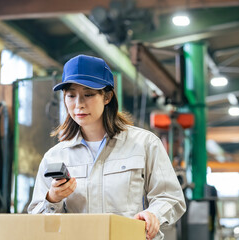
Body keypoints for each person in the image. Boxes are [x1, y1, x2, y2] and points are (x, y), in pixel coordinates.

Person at [28, 55, 186, 240]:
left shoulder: (144, 144)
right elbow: (37, 220)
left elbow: (171, 197)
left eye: (88, 94)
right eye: (71, 95)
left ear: (107, 97)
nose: (78, 104)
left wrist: (154, 215)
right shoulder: (55, 157)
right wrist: (52, 198)